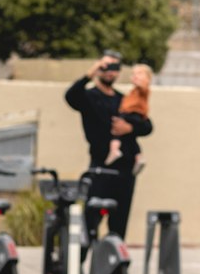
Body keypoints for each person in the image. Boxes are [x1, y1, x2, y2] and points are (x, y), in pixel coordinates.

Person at [64, 52, 154, 239]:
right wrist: (91, 73)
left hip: (125, 168)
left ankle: (115, 265)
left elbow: (147, 125)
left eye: (114, 68)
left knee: (119, 223)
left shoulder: (124, 100)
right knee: (90, 222)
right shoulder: (89, 97)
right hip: (101, 166)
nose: (110, 72)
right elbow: (71, 97)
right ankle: (78, 263)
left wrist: (130, 127)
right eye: (106, 67)